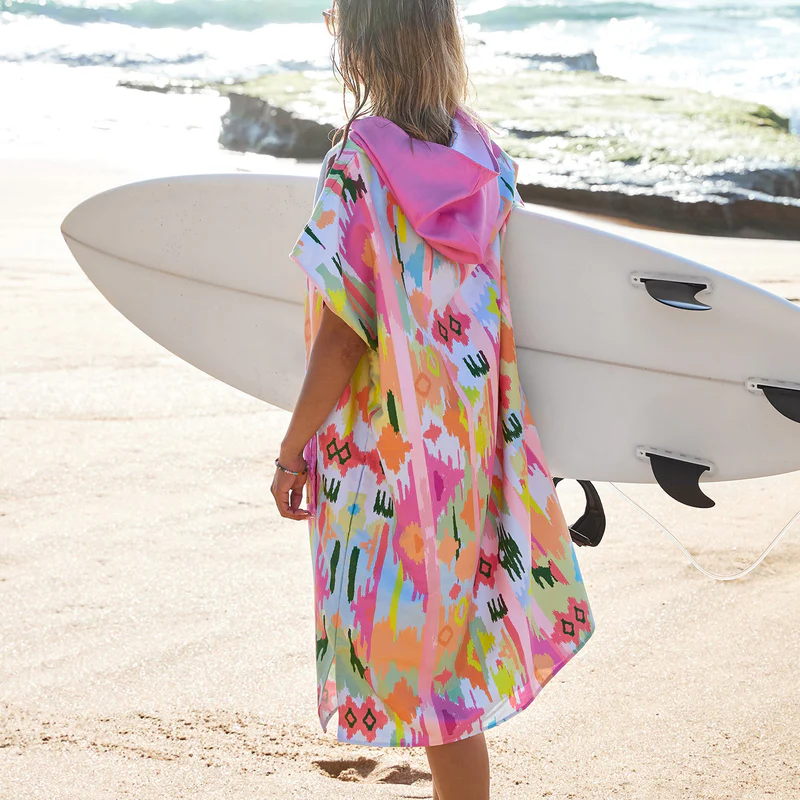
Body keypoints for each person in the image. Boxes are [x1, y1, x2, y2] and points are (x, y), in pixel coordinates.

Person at [270, 2, 596, 798]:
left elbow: (343, 338)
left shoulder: (358, 162)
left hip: (386, 454)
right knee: (447, 665)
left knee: (423, 671)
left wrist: (290, 450)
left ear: (362, 40)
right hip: (468, 446)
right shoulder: (485, 158)